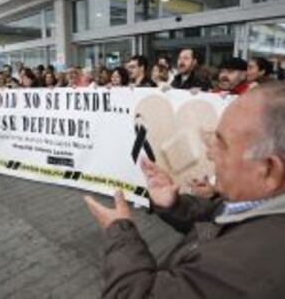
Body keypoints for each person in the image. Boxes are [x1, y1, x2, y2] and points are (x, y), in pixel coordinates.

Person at [85, 81, 285, 298]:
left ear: (268, 170)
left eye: (222, 143)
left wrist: (119, 231)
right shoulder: (261, 204)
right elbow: (220, 216)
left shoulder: (250, 266)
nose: (210, 154)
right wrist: (173, 204)